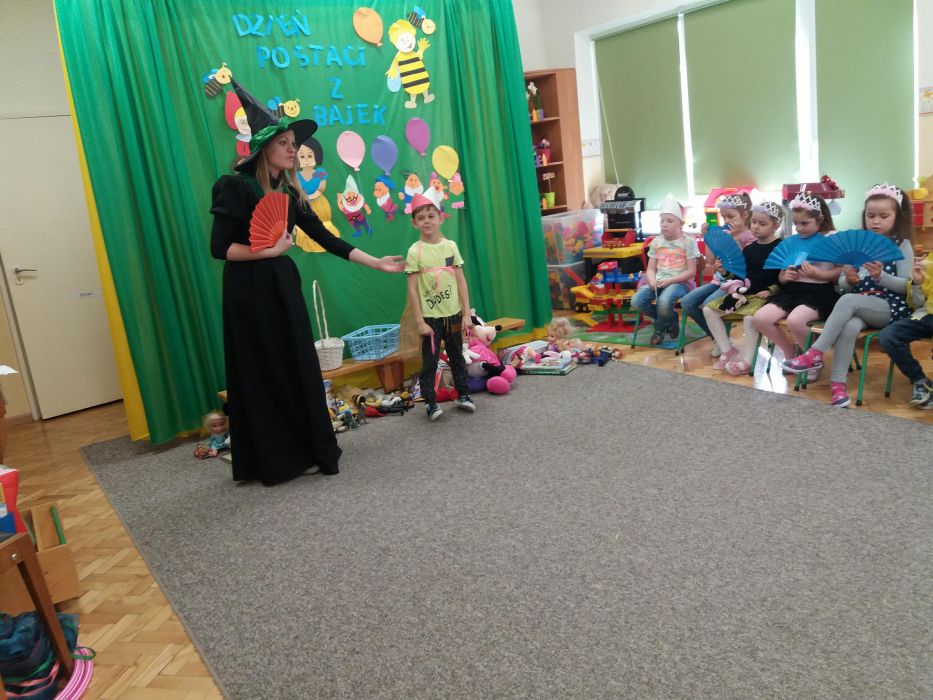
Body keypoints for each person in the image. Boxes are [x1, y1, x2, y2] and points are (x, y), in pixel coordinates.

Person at [210, 80, 404, 485]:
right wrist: (266, 252)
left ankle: (304, 449)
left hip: (282, 289)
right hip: (248, 293)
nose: (292, 149)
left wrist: (375, 263)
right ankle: (272, 459)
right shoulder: (235, 187)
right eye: (283, 143)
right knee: (261, 369)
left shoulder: (290, 194)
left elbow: (327, 239)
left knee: (295, 366)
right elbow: (220, 248)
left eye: (293, 144)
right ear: (263, 148)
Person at [783, 184, 914, 407]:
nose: (876, 221)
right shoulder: (861, 244)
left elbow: (907, 286)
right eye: (871, 216)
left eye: (883, 216)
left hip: (891, 307)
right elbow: (844, 284)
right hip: (860, 305)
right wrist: (849, 280)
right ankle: (838, 386)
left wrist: (881, 277)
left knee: (848, 300)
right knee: (849, 326)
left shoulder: (902, 245)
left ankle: (815, 353)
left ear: (897, 217)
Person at [750, 192, 840, 381]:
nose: (799, 228)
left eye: (804, 223)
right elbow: (782, 276)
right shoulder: (792, 241)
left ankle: (812, 359)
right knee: (760, 319)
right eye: (796, 223)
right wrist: (785, 276)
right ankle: (790, 353)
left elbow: (840, 272)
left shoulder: (831, 238)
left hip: (820, 293)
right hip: (793, 291)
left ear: (820, 219)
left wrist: (819, 275)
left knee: (795, 320)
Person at [405, 193, 476, 421]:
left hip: (453, 315)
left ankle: (463, 394)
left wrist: (466, 313)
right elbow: (412, 289)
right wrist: (420, 321)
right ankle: (430, 403)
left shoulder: (450, 246)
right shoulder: (415, 251)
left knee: (457, 355)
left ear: (440, 218)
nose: (426, 221)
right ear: (414, 223)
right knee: (430, 361)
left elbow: (461, 281)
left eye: (431, 216)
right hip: (431, 318)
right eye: (421, 218)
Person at [703, 200, 783, 375]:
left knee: (749, 318)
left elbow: (783, 279)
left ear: (775, 225)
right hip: (744, 293)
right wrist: (725, 273)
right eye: (753, 222)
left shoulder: (781, 247)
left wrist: (771, 290)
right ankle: (727, 350)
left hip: (766, 296)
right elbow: (740, 275)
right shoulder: (749, 249)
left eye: (762, 224)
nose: (755, 227)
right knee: (709, 310)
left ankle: (748, 361)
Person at [680, 192, 756, 356]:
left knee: (707, 305)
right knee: (687, 302)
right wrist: (707, 238)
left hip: (737, 284)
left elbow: (747, 266)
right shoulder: (724, 234)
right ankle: (718, 338)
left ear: (745, 215)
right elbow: (710, 260)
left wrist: (736, 241)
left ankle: (722, 340)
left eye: (731, 216)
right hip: (719, 281)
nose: (727, 221)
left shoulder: (751, 237)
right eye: (724, 217)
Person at [629, 193, 701, 345]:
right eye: (662, 221)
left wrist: (670, 280)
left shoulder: (688, 242)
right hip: (659, 281)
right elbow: (650, 269)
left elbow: (691, 272)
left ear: (681, 224)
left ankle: (659, 329)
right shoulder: (656, 242)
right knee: (636, 301)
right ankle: (670, 317)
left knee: (664, 301)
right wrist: (651, 280)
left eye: (669, 221)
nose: (664, 224)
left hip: (680, 283)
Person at [878, 252, 933, 409]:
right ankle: (921, 381)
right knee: (888, 336)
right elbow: (917, 303)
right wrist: (917, 283)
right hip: (927, 315)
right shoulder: (930, 260)